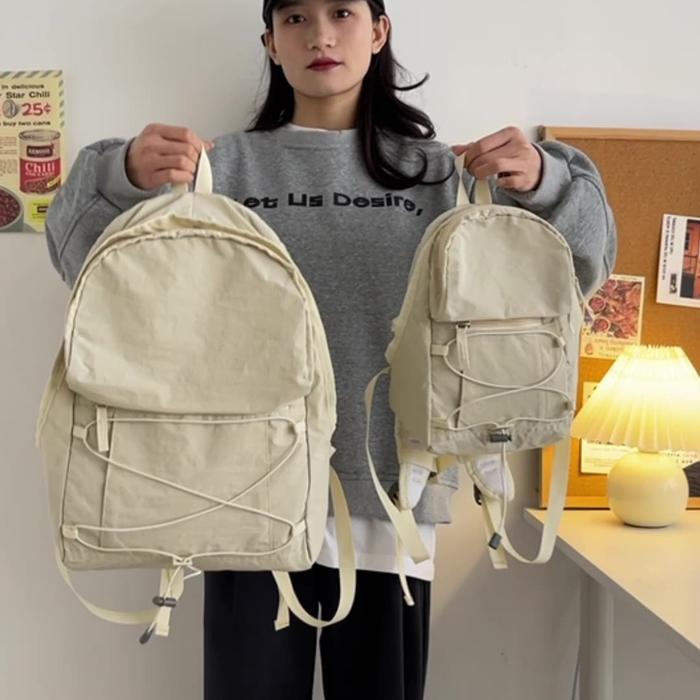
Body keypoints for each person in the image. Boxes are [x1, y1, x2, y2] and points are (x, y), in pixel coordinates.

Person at [44, 1, 617, 698]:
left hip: (394, 496)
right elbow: (83, 264)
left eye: (342, 12)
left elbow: (582, 268)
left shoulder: (442, 174)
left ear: (378, 32)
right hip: (240, 494)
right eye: (295, 18)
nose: (320, 34)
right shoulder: (219, 169)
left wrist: (549, 183)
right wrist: (120, 175)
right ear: (270, 42)